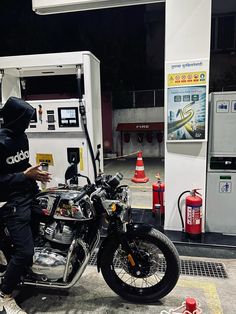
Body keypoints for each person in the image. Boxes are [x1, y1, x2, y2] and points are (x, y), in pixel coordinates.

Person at [0, 97, 51, 314]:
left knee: (49, 226)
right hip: (11, 201)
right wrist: (24, 175)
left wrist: (35, 174)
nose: (28, 124)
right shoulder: (0, 142)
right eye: (26, 119)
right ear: (15, 118)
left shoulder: (22, 137)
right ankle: (5, 294)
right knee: (25, 251)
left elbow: (22, 164)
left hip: (29, 193)